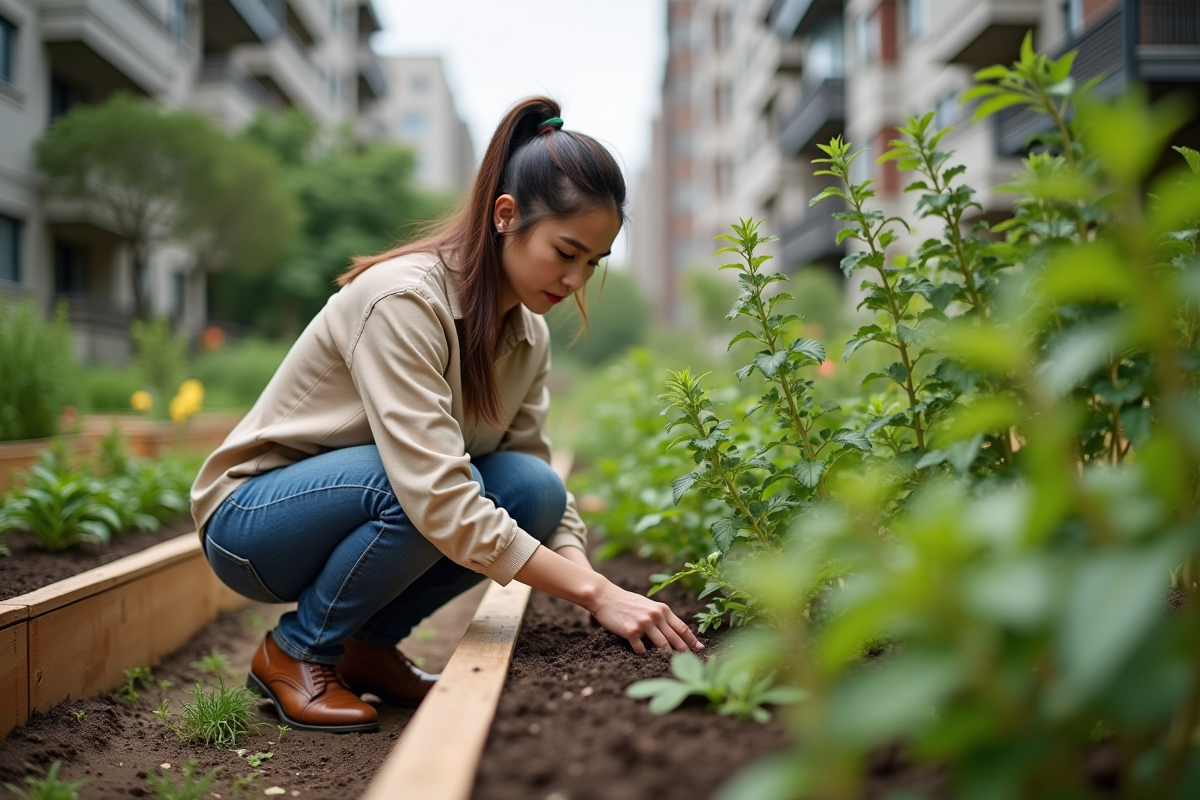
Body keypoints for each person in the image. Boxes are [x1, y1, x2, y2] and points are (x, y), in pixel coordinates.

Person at [189, 97, 703, 734]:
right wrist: (597, 594)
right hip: (251, 525)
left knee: (532, 490)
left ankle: (366, 647)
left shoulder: (526, 334)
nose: (575, 280)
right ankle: (295, 651)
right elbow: (433, 493)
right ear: (506, 216)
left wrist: (589, 579)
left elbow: (536, 474)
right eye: (566, 252)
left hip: (369, 500)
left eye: (592, 264)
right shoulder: (404, 300)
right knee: (416, 489)